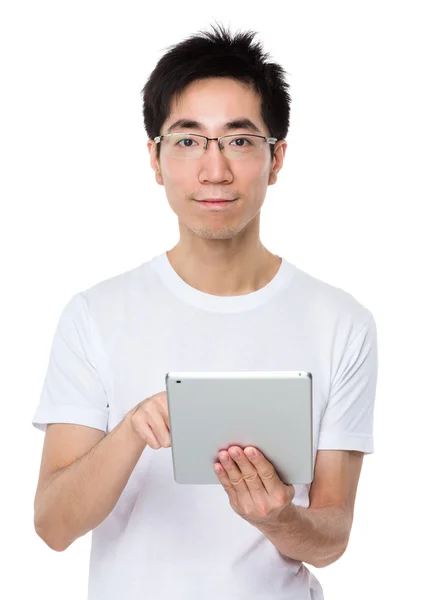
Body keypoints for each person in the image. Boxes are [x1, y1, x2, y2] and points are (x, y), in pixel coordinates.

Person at [32, 22, 378, 600]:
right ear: (155, 156)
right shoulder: (95, 314)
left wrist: (275, 517)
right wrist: (130, 434)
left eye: (239, 141)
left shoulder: (341, 322)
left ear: (276, 158)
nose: (213, 171)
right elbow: (52, 526)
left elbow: (332, 535)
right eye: (188, 140)